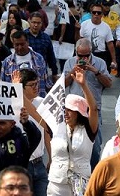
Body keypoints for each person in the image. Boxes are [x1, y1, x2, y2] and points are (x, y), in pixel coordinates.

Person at [47, 66, 99, 196]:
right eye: (64, 109)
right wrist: (20, 91)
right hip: (57, 185)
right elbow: (36, 113)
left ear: (78, 113)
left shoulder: (88, 128)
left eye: (70, 110)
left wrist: (83, 85)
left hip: (81, 184)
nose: (66, 113)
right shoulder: (56, 126)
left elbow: (93, 108)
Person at [62, 38, 112, 167]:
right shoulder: (69, 62)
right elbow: (63, 84)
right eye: (80, 55)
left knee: (94, 146)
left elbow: (109, 83)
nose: (83, 58)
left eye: (86, 55)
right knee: (73, 144)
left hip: (93, 110)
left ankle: (93, 173)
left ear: (91, 52)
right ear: (76, 52)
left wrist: (95, 71)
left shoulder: (100, 63)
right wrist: (73, 70)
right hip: (74, 111)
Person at [1, 30, 53, 97]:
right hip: (16, 102)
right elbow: (3, 86)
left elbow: (47, 83)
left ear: (27, 42)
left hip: (37, 101)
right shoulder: (7, 62)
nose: (20, 47)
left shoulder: (39, 58)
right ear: (13, 44)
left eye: (22, 44)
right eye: (17, 45)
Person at [80, 3, 116, 70]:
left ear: (102, 14)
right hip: (87, 55)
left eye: (98, 13)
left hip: (101, 55)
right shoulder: (84, 24)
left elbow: (110, 44)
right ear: (91, 13)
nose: (96, 14)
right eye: (94, 12)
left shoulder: (106, 27)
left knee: (101, 75)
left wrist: (114, 60)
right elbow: (79, 41)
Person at [25, 12, 59, 76]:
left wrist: (54, 72)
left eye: (38, 23)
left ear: (41, 24)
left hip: (42, 72)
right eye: (34, 22)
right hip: (26, 71)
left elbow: (51, 56)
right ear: (29, 22)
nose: (36, 25)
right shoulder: (23, 36)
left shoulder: (46, 38)